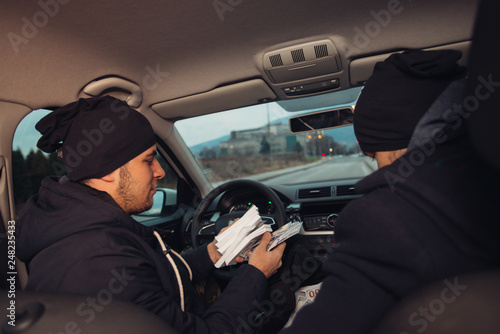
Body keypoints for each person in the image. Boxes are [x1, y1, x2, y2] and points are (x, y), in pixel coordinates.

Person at [16, 96, 286, 334]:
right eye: (148, 160)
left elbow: (158, 274)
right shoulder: (101, 261)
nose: (159, 171)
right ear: (107, 170)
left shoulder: (91, 225)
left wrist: (213, 252)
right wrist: (256, 273)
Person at [280, 49, 500, 333]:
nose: (377, 167)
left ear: (396, 144)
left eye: (373, 155)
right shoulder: (485, 176)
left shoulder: (386, 219)